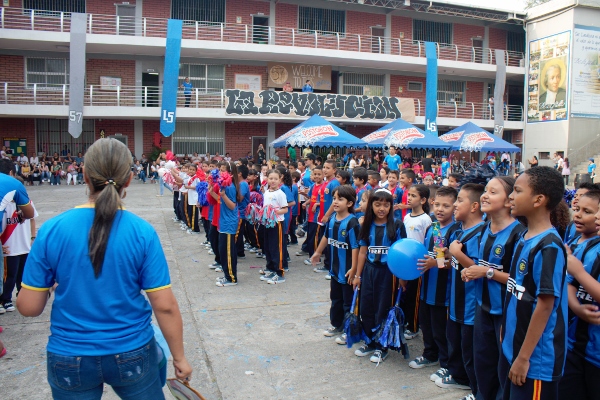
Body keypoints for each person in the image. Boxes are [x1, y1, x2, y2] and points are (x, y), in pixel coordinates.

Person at [17, 139, 192, 397]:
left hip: (69, 354)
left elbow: (29, 307)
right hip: (132, 349)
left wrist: (51, 286)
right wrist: (179, 358)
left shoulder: (52, 230)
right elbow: (164, 306)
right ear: (128, 179)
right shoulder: (142, 232)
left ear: (85, 175)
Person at [500, 166, 568, 400]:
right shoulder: (524, 237)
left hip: (534, 361)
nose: (511, 196)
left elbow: (545, 305)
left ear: (539, 199)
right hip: (513, 348)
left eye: (517, 191)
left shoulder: (549, 246)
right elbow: (516, 290)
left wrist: (523, 357)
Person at [461, 177, 526, 400]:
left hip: (505, 313)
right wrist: (470, 271)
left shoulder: (519, 234)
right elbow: (480, 266)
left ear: (509, 201)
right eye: (485, 191)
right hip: (483, 307)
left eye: (493, 192)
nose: (485, 196)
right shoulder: (484, 229)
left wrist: (487, 272)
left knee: (502, 367)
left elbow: (521, 281)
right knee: (483, 362)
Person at [436, 184, 485, 397]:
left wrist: (456, 254)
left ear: (474, 206)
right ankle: (459, 377)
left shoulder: (482, 234)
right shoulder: (456, 231)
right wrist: (441, 255)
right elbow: (444, 262)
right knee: (455, 342)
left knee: (471, 350)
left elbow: (478, 269)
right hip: (455, 302)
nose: (455, 205)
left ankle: (476, 388)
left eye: (459, 201)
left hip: (471, 305)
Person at [352, 189, 407, 364]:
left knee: (383, 308)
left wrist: (401, 276)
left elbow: (402, 252)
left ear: (391, 206)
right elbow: (362, 252)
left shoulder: (397, 225)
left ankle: (381, 346)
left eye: (386, 205)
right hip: (369, 271)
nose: (381, 208)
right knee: (366, 306)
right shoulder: (366, 225)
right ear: (371, 206)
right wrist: (357, 275)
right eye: (377, 204)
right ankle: (369, 340)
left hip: (388, 273)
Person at [411, 186, 459, 375]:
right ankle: (430, 354)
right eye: (437, 204)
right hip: (426, 289)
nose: (440, 209)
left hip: (442, 293)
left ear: (455, 207)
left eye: (446, 206)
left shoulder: (455, 231)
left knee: (441, 330)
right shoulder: (434, 227)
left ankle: (446, 364)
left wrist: (434, 263)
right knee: (426, 325)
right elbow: (433, 256)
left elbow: (450, 262)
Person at [560, 190, 600, 399]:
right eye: (577, 209)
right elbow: (569, 283)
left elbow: (576, 275)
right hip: (575, 345)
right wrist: (577, 307)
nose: (578, 214)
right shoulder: (585, 247)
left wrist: (579, 272)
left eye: (589, 211)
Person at [311, 186, 360, 344]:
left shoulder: (352, 223)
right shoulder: (332, 219)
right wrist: (318, 252)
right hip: (335, 269)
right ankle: (337, 325)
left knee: (348, 302)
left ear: (350, 203)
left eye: (340, 199)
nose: (335, 202)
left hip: (347, 272)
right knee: (336, 299)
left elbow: (356, 247)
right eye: (334, 199)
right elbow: (326, 237)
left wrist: (354, 269)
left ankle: (349, 330)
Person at [402, 185, 433, 340]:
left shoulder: (426, 219)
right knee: (405, 294)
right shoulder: (407, 217)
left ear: (423, 200)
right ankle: (404, 321)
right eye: (409, 195)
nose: (409, 198)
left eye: (413, 196)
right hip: (405, 262)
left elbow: (429, 242)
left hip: (419, 264)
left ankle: (413, 327)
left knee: (415, 296)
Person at [259, 169, 289, 284]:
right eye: (271, 178)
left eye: (275, 179)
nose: (273, 181)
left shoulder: (280, 193)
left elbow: (285, 209)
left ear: (280, 180)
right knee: (268, 246)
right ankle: (270, 269)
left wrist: (274, 212)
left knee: (277, 248)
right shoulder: (267, 192)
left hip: (277, 223)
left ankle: (279, 272)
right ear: (267, 179)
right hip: (268, 223)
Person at [215, 162, 242, 287]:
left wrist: (224, 195)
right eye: (220, 170)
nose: (220, 173)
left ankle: (231, 278)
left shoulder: (230, 187)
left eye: (223, 170)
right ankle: (227, 274)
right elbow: (220, 201)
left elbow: (232, 206)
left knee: (228, 252)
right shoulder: (225, 185)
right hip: (223, 222)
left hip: (229, 223)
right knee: (223, 251)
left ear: (230, 173)